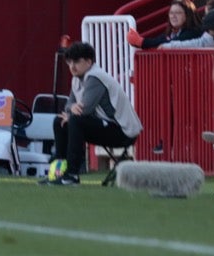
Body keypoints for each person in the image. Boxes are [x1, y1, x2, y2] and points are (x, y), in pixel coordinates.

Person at [41, 41, 141, 187]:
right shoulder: (77, 79)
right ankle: (59, 172)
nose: (72, 66)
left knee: (75, 121)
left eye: (76, 61)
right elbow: (70, 105)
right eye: (69, 62)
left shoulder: (95, 77)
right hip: (103, 126)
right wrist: (72, 109)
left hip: (122, 131)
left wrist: (72, 111)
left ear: (88, 62)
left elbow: (85, 109)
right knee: (59, 121)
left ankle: (72, 174)